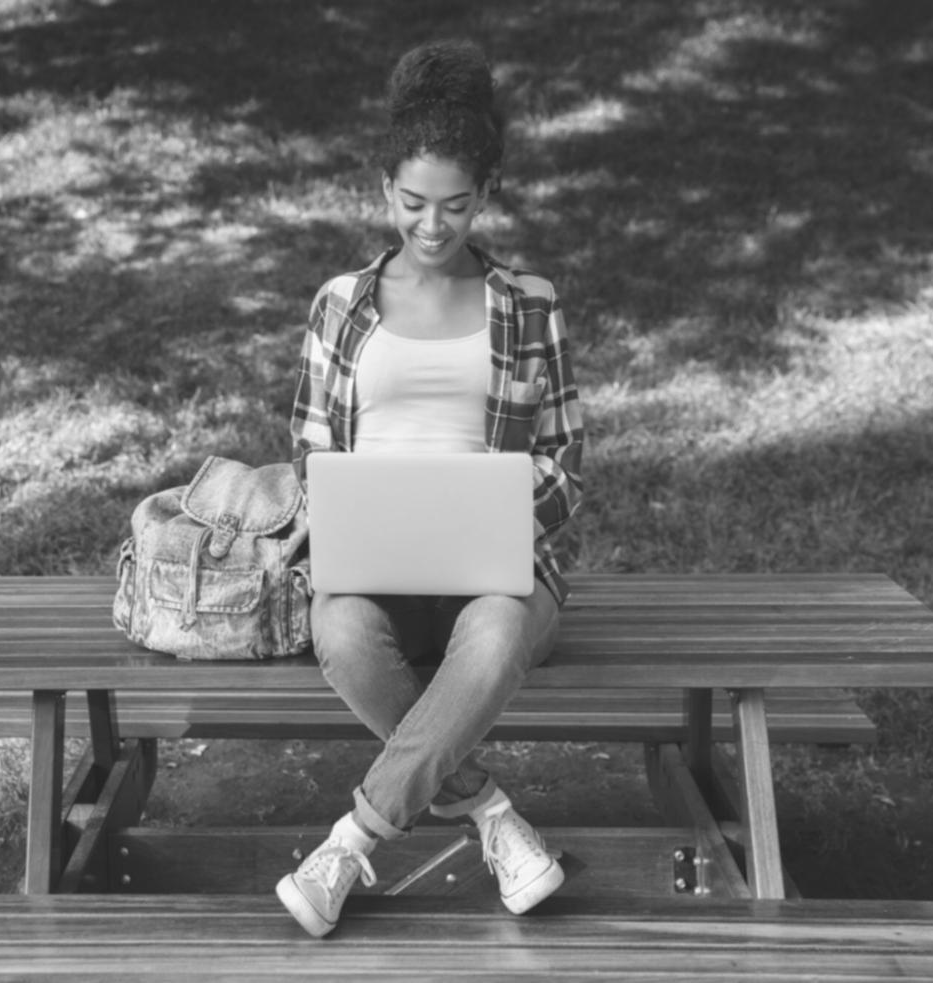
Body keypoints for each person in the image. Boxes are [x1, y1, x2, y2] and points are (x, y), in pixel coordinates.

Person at [277, 39, 586, 938]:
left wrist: (499, 514)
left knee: (493, 638)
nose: (433, 225)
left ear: (485, 196)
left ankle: (351, 838)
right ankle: (490, 812)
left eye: (455, 206)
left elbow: (567, 462)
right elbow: (308, 453)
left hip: (499, 571)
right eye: (413, 203)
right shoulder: (340, 304)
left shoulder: (529, 304)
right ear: (385, 192)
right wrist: (337, 514)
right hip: (374, 568)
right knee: (339, 629)